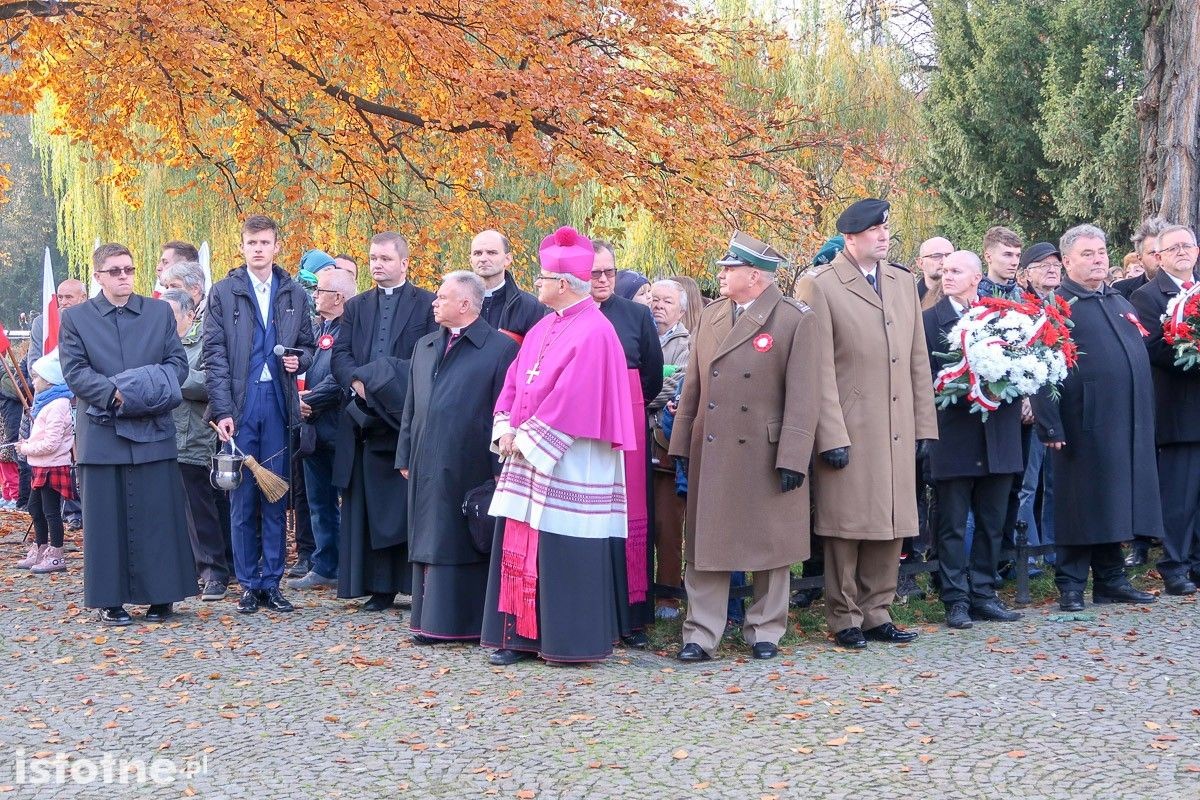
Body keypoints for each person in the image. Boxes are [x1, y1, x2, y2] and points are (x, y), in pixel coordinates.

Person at [481, 226, 636, 666]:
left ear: (563, 284)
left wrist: (523, 438)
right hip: (528, 454)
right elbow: (515, 381)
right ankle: (519, 637)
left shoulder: (595, 331)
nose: (537, 286)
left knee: (559, 547)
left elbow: (575, 399)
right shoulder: (542, 327)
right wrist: (505, 426)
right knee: (520, 539)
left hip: (569, 459)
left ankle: (565, 642)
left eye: (543, 279)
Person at [670, 232, 819, 662]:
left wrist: (794, 454)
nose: (720, 274)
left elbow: (803, 395)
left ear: (755, 276)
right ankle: (700, 633)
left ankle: (765, 630)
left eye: (729, 268)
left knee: (770, 543)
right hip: (713, 446)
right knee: (706, 544)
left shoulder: (793, 319)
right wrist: (681, 439)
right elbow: (694, 385)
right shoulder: (713, 315)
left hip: (765, 450)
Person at [796, 198, 937, 649]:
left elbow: (917, 358)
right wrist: (830, 434)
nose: (883, 235)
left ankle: (879, 612)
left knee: (891, 521)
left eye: (886, 228)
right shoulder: (819, 283)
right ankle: (844, 617)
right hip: (851, 425)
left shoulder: (900, 281)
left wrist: (922, 425)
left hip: (895, 423)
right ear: (850, 237)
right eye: (874, 229)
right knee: (848, 525)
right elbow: (816, 368)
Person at [59, 243, 196, 626]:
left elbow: (176, 363)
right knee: (106, 521)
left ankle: (162, 596)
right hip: (103, 433)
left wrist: (141, 390)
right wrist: (114, 395)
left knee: (159, 516)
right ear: (98, 276)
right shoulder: (77, 319)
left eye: (129, 270)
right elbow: (75, 371)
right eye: (115, 271)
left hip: (152, 429)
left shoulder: (157, 313)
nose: (123, 277)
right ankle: (111, 599)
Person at [1031, 224, 1159, 611]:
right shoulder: (1057, 306)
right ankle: (1071, 584)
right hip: (1079, 423)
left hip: (1124, 421)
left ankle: (1111, 579)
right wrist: (1049, 423)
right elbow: (1040, 369)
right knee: (1078, 503)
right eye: (1087, 254)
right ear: (1067, 262)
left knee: (1113, 501)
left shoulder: (1120, 301)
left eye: (1101, 252)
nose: (1098, 259)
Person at [397, 271, 518, 642]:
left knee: (460, 539)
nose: (434, 303)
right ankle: (426, 619)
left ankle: (459, 624)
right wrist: (405, 454)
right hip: (424, 460)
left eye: (442, 297)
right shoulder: (425, 346)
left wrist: (500, 469)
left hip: (470, 462)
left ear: (465, 304)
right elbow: (411, 407)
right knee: (427, 538)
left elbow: (505, 411)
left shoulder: (499, 349)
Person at [204, 215, 315, 615]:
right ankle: (248, 583)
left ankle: (272, 582)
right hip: (241, 404)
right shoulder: (223, 293)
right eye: (251, 242)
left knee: (275, 495)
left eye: (265, 242)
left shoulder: (294, 294)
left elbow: (309, 347)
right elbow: (213, 357)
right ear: (242, 246)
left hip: (279, 405)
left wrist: (298, 360)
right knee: (241, 498)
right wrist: (222, 410)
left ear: (276, 247)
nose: (258, 249)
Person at [332, 232, 436, 612]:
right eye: (373, 258)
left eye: (386, 259)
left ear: (404, 263)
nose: (377, 264)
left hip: (403, 419)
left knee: (403, 506)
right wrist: (358, 382)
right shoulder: (356, 306)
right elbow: (339, 354)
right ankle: (378, 588)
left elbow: (428, 356)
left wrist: (385, 386)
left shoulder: (426, 304)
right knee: (367, 508)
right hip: (363, 421)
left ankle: (412, 585)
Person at [923, 252, 1025, 629]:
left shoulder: (1002, 316)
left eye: (955, 271)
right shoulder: (929, 321)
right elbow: (925, 376)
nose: (946, 276)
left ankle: (984, 592)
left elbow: (1022, 361)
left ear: (976, 277)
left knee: (992, 521)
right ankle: (955, 599)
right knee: (951, 523)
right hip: (955, 435)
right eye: (944, 270)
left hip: (998, 434)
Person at [591, 239, 664, 647]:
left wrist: (627, 402)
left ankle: (632, 616)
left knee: (630, 514)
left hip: (629, 422)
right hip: (583, 427)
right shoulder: (564, 315)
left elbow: (651, 374)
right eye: (595, 273)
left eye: (609, 272)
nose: (603, 280)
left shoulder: (635, 315)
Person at [1130, 224, 1200, 595]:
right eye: (1172, 248)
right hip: (1179, 411)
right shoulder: (1147, 297)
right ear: (1158, 257)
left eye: (1187, 245)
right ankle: (1174, 566)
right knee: (1180, 499)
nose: (1181, 252)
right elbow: (1154, 349)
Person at [163, 287, 232, 601]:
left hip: (192, 437)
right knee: (172, 511)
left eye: (170, 315)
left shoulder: (204, 343)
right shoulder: (157, 345)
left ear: (189, 315)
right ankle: (185, 570)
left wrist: (171, 374)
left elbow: (211, 384)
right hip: (161, 437)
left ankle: (215, 572)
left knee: (199, 509)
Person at [290, 267, 357, 591]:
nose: (315, 296)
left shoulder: (352, 330)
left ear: (339, 297)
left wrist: (311, 399)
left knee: (348, 500)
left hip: (340, 427)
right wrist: (298, 396)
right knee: (318, 502)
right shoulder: (321, 328)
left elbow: (341, 376)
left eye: (321, 291)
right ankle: (325, 564)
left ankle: (349, 567)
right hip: (314, 428)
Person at [1015, 242, 1062, 561]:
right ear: (1023, 275)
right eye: (1042, 264)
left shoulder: (1063, 305)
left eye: (1056, 264)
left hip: (1062, 406)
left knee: (1057, 482)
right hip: (1033, 407)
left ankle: (1055, 549)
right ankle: (1027, 553)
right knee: (1028, 484)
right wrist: (1028, 397)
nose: (1051, 268)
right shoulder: (1017, 309)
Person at [648, 279, 690, 619]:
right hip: (633, 446)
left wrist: (639, 396)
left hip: (665, 449)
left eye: (666, 301)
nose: (658, 306)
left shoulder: (687, 345)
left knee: (668, 523)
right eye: (654, 299)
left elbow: (678, 384)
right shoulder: (637, 336)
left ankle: (668, 595)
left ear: (681, 309)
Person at [14, 353, 75, 574]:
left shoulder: (58, 404)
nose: (33, 382)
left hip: (52, 465)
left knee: (51, 512)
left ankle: (56, 554)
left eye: (36, 377)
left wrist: (26, 448)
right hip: (41, 465)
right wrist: (29, 442)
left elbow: (52, 443)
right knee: (34, 507)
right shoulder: (46, 403)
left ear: (49, 380)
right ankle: (40, 548)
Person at [470, 229, 546, 342]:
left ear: (508, 259)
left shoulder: (531, 307)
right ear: (471, 260)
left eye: (491, 253)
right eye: (477, 253)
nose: (483, 259)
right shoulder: (454, 304)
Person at [1114, 216, 1169, 299]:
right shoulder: (1121, 291)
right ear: (1140, 257)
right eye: (1153, 253)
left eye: (1164, 250)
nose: (1160, 257)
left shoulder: (1191, 287)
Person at [979, 226, 1022, 300]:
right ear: (988, 257)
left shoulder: (1023, 297)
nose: (1015, 262)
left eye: (1018, 256)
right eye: (1008, 255)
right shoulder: (974, 295)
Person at [915, 236, 954, 305]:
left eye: (949, 256)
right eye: (936, 256)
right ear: (920, 263)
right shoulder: (910, 300)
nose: (944, 261)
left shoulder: (968, 295)